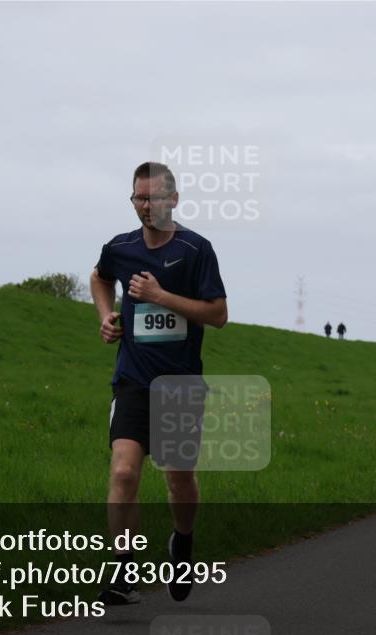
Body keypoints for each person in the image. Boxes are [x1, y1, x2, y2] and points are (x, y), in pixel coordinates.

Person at [90, 161, 228, 604]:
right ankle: (124, 567)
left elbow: (218, 314)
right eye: (139, 198)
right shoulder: (120, 248)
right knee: (124, 470)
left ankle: (181, 543)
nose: (146, 207)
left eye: (154, 198)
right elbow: (99, 278)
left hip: (180, 384)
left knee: (178, 481)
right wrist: (106, 316)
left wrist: (159, 296)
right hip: (132, 377)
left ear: (174, 200)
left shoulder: (195, 249)